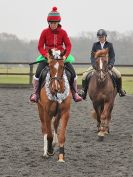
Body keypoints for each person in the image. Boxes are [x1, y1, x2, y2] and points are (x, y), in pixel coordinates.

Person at [30, 7, 82, 103]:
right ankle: (36, 93)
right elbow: (40, 46)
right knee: (37, 74)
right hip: (48, 57)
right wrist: (46, 55)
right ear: (48, 23)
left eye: (55, 23)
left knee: (73, 73)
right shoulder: (44, 32)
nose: (53, 25)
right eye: (51, 23)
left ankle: (75, 93)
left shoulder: (63, 32)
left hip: (61, 57)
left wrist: (65, 55)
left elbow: (68, 45)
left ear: (58, 23)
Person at [80, 29, 126, 99]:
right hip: (97, 65)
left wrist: (110, 64)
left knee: (118, 74)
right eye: (99, 37)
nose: (101, 38)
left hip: (107, 65)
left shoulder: (110, 45)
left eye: (102, 37)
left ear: (105, 37)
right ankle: (84, 91)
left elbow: (112, 56)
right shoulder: (95, 45)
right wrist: (93, 64)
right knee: (84, 75)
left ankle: (120, 89)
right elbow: (92, 56)